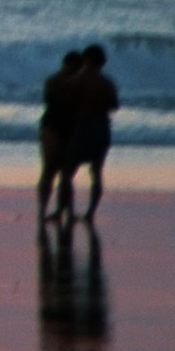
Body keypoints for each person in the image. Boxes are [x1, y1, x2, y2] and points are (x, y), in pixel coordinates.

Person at [63, 43, 119, 219]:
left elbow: (67, 104)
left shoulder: (77, 81)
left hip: (84, 127)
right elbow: (114, 105)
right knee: (96, 172)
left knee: (67, 173)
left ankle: (70, 212)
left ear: (87, 59)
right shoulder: (107, 83)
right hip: (102, 127)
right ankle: (89, 213)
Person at [36, 50, 84, 220]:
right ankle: (42, 211)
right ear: (68, 65)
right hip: (52, 126)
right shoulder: (54, 81)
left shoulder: (77, 83)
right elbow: (55, 102)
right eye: (77, 68)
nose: (79, 71)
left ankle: (66, 212)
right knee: (49, 169)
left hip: (69, 127)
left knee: (66, 173)